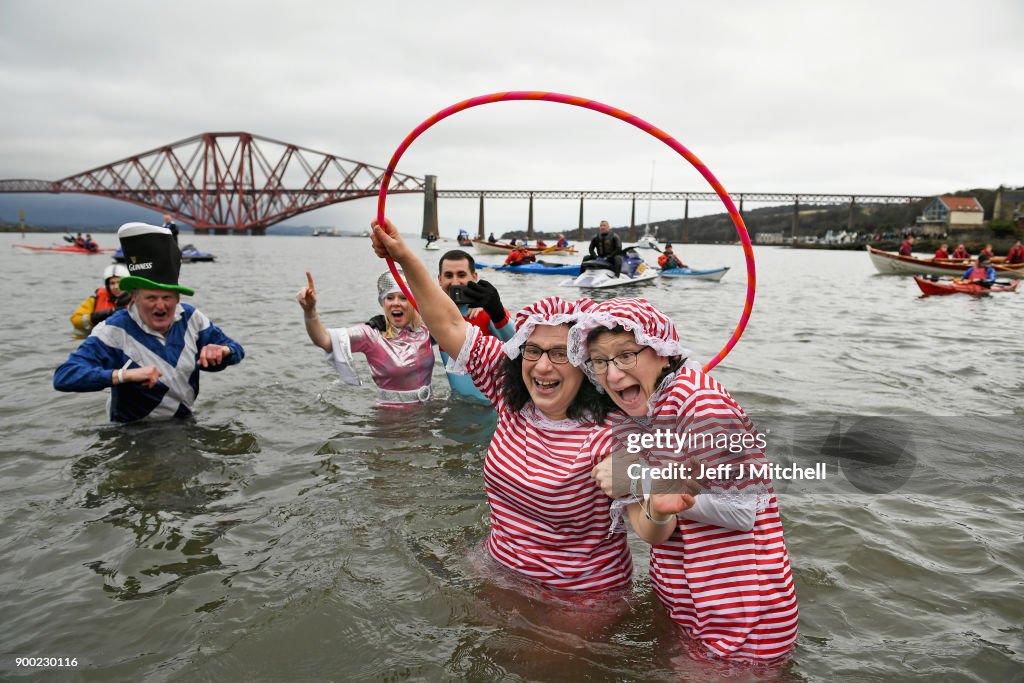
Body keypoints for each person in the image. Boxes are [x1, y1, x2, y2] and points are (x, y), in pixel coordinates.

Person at [371, 217, 632, 594]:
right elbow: (447, 322)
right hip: (495, 566)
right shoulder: (509, 393)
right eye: (533, 350)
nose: (542, 366)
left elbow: (700, 480)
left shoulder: (612, 430)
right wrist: (404, 255)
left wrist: (641, 473)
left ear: (585, 363)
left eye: (561, 353)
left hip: (576, 598)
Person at [571, 298, 799, 661]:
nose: (612, 374)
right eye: (600, 361)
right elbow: (655, 523)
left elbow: (743, 512)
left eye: (626, 355)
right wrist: (655, 503)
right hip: (683, 598)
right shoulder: (633, 412)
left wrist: (638, 482)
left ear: (662, 353)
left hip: (743, 614)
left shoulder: (702, 403)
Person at [53, 223, 243, 422]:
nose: (160, 306)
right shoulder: (112, 331)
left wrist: (223, 352)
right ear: (134, 297)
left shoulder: (192, 318)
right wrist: (123, 376)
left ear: (178, 298)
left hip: (183, 423)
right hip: (130, 431)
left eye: (167, 298)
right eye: (151, 298)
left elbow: (237, 350)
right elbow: (64, 376)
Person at [297, 269, 434, 406]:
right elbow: (325, 340)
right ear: (383, 302)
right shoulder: (371, 334)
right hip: (393, 420)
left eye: (403, 298)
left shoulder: (425, 329)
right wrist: (310, 312)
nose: (395, 303)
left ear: (413, 302)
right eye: (389, 298)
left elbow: (453, 325)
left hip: (429, 414)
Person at [433, 250, 514, 404]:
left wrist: (497, 312)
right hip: (459, 408)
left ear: (474, 277)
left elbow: (522, 345)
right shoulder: (436, 318)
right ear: (439, 280)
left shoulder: (488, 311)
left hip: (492, 410)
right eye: (449, 275)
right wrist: (385, 324)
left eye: (461, 275)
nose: (455, 282)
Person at [70, 264, 131, 332]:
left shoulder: (136, 300)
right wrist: (95, 317)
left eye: (119, 282)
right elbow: (75, 320)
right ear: (107, 285)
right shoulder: (95, 299)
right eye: (112, 283)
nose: (116, 286)